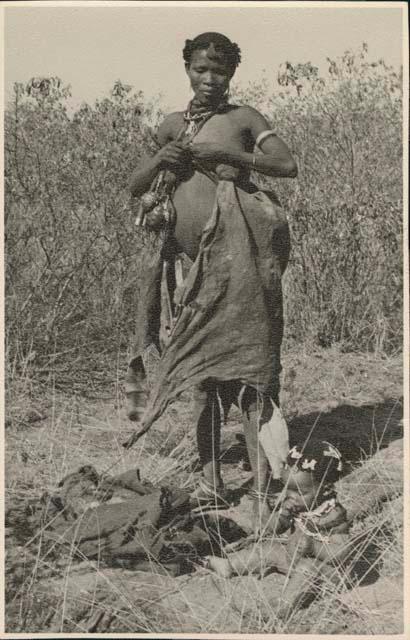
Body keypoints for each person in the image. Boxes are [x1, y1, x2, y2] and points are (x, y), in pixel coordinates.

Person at [126, 32, 297, 528]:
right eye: (201, 70)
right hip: (187, 272)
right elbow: (137, 187)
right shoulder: (173, 126)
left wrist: (239, 162)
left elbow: (286, 164)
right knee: (201, 379)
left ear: (231, 75)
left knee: (250, 379)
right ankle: (212, 482)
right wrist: (164, 159)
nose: (209, 79)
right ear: (187, 69)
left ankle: (263, 493)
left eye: (218, 72)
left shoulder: (244, 120)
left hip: (240, 270)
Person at [206, 440, 353, 620]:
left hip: (324, 574)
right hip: (292, 558)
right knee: (268, 549)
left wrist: (314, 547)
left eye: (299, 492)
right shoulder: (297, 505)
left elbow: (343, 552)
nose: (291, 496)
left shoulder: (333, 515)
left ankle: (283, 606)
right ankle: (229, 565)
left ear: (326, 489)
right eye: (287, 489)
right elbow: (276, 527)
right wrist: (276, 519)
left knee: (307, 568)